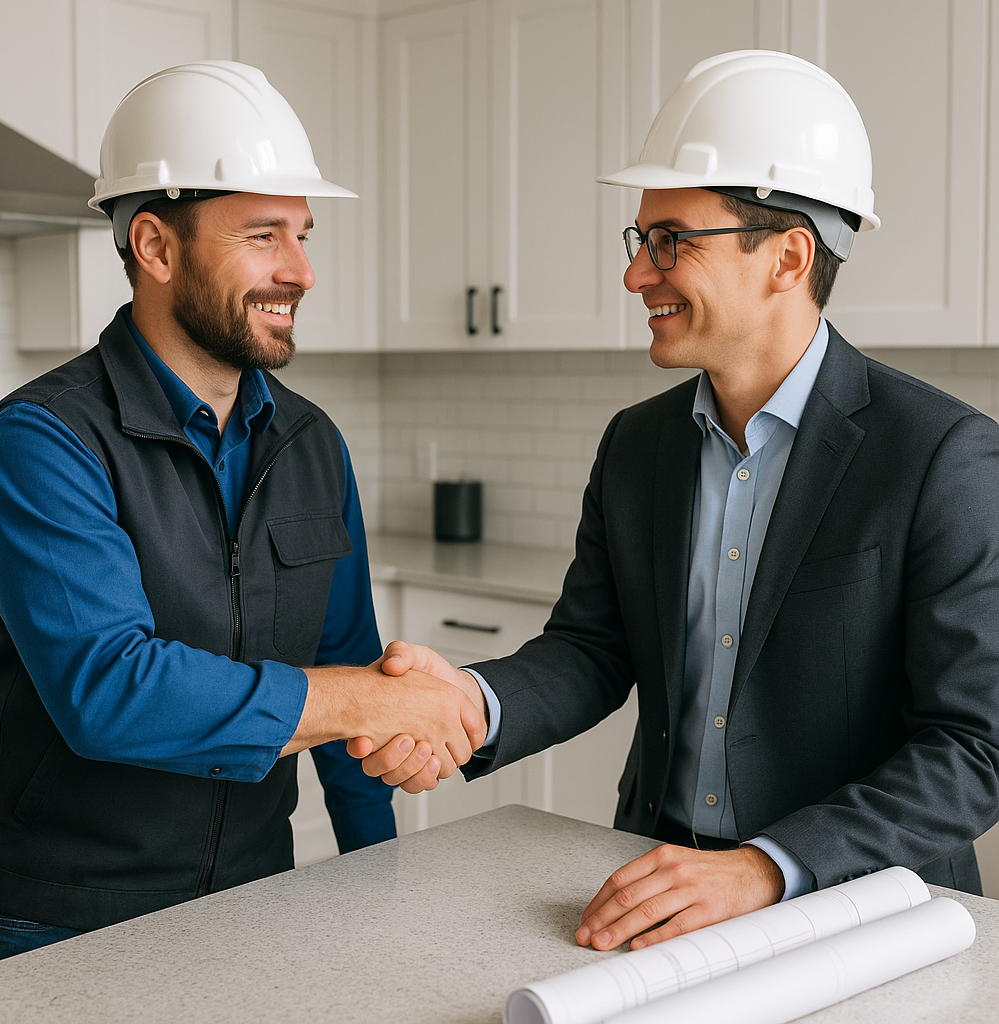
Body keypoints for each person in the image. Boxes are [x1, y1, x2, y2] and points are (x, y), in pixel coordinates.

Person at [355, 50, 999, 949]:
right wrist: (468, 702)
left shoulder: (942, 455)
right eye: (640, 241)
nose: (636, 276)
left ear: (788, 256)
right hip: (659, 894)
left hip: (860, 922)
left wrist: (764, 867)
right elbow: (590, 649)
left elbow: (972, 747)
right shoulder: (637, 444)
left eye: (673, 243)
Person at [0, 61, 484, 967]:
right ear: (156, 248)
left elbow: (345, 662)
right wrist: (362, 695)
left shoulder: (310, 443)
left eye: (303, 234)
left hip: (255, 901)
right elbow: (109, 689)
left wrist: (381, 882)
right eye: (262, 235)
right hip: (59, 919)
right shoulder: (41, 441)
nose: (303, 270)